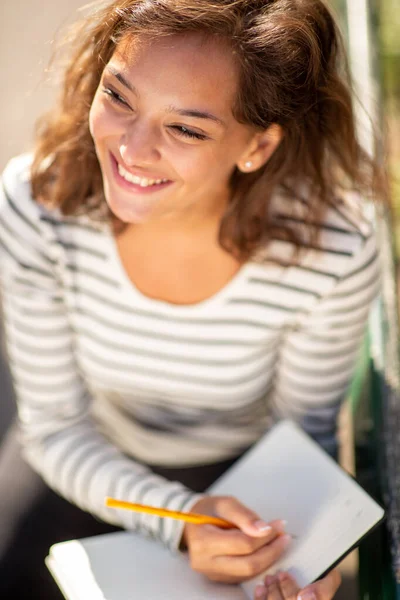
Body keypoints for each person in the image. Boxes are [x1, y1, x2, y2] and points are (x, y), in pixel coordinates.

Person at [0, 0, 384, 598]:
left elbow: (301, 434)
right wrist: (180, 521)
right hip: (82, 462)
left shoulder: (330, 250)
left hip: (244, 483)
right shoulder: (37, 203)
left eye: (185, 128)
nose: (131, 147)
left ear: (256, 148)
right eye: (119, 96)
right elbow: (52, 429)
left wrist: (305, 551)